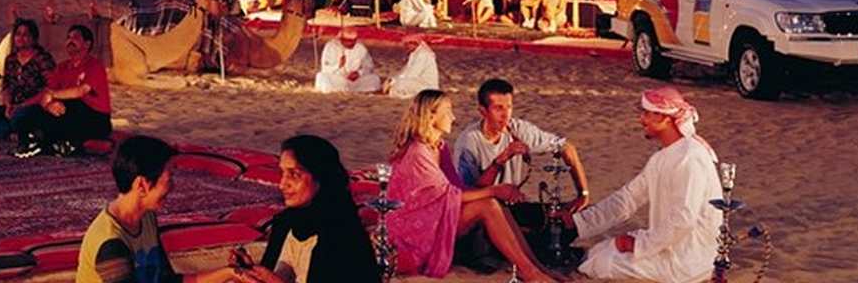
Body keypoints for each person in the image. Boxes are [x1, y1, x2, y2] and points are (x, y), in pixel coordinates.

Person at [385, 90, 560, 282]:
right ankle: (530, 273)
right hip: (416, 230)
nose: (453, 117)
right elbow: (449, 195)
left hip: (436, 216)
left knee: (493, 202)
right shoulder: (418, 152)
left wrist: (497, 190)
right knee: (488, 204)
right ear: (431, 115)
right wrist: (494, 190)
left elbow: (456, 187)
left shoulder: (438, 146)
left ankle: (536, 267)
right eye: (448, 111)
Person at [558, 87, 721, 283]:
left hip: (689, 258)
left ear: (665, 118)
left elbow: (683, 218)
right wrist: (579, 222)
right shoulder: (662, 158)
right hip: (669, 244)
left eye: (646, 113)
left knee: (601, 263)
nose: (641, 119)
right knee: (598, 251)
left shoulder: (690, 156)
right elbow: (628, 198)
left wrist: (639, 244)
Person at [452, 79, 589, 256]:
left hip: (512, 208)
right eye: (498, 108)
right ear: (483, 111)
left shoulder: (518, 129)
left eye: (509, 107)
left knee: (576, 218)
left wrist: (582, 195)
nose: (505, 115)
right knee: (481, 246)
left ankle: (532, 245)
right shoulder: (469, 142)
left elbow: (566, 147)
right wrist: (501, 160)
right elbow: (470, 195)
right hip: (485, 213)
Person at [75, 135, 239, 283]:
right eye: (168, 179)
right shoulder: (111, 243)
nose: (173, 186)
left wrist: (229, 274)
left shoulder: (146, 218)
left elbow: (165, 280)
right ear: (142, 185)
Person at [233, 135, 379, 283]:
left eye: (294, 175)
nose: (282, 184)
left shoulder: (343, 236)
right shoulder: (284, 224)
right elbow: (270, 275)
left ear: (321, 178)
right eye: (282, 173)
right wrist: (251, 270)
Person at [15, 24, 112, 157]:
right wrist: (48, 105)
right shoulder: (62, 67)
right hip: (65, 112)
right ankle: (46, 142)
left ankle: (47, 141)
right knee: (28, 113)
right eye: (68, 37)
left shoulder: (95, 66)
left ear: (87, 44)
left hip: (94, 118)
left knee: (72, 105)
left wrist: (53, 96)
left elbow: (81, 91)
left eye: (75, 37)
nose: (70, 41)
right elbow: (46, 93)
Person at [0, 18, 55, 155]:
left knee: (20, 117)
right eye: (18, 34)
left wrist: (24, 105)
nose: (20, 38)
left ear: (34, 38)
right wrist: (8, 105)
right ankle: (14, 134)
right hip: (15, 106)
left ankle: (5, 131)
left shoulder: (43, 59)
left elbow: (50, 89)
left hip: (34, 107)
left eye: (25, 35)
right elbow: (6, 85)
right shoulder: (11, 59)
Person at [314, 25, 381, 93]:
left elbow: (369, 67)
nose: (351, 43)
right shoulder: (331, 47)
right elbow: (325, 69)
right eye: (348, 41)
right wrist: (338, 65)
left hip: (355, 81)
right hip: (338, 79)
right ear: (341, 39)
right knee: (322, 77)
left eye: (353, 41)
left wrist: (359, 73)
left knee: (375, 79)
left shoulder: (360, 48)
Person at [385, 33, 439, 98]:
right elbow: (405, 71)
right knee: (397, 83)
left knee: (401, 84)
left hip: (427, 86)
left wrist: (393, 82)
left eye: (408, 44)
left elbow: (413, 74)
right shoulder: (414, 54)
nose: (406, 46)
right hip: (417, 82)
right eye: (406, 44)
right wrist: (391, 80)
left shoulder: (423, 54)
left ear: (414, 43)